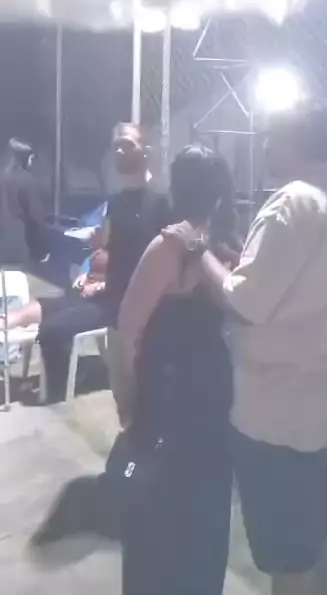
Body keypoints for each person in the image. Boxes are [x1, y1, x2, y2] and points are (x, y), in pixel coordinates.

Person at [165, 103, 327, 595]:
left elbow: (244, 304)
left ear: (295, 141)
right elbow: (301, 283)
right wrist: (243, 267)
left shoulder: (289, 204)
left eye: (272, 136)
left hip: (279, 416)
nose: (264, 146)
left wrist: (197, 248)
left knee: (289, 558)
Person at [31, 146, 237, 595]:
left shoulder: (206, 251)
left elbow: (126, 334)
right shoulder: (183, 249)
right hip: (181, 406)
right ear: (219, 195)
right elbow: (127, 334)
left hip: (191, 406)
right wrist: (128, 403)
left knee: (182, 524)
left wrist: (127, 400)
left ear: (175, 188)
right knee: (181, 523)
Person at [37, 123, 171, 403]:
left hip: (135, 304)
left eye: (128, 144)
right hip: (110, 297)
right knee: (47, 316)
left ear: (145, 152)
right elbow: (109, 246)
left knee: (51, 331)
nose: (120, 151)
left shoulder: (160, 202)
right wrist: (96, 247)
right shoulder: (116, 201)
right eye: (116, 146)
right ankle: (75, 379)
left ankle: (61, 392)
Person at [0, 138, 47, 267]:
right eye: (32, 159)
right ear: (26, 158)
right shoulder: (27, 180)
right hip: (19, 252)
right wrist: (42, 250)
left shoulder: (3, 177)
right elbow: (36, 218)